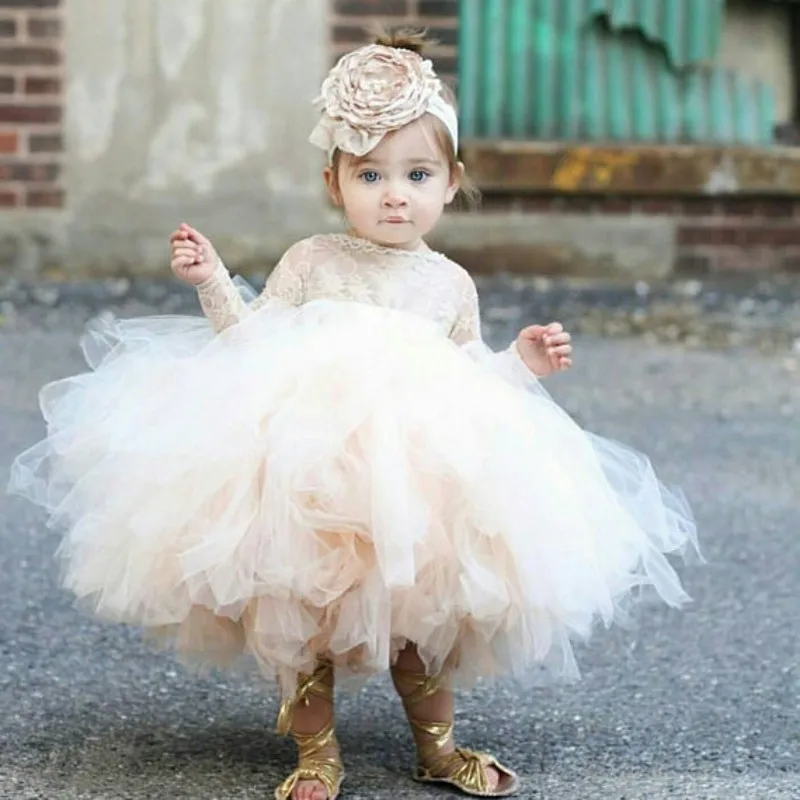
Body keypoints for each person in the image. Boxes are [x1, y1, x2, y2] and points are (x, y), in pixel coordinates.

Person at [8, 30, 698, 800]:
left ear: (450, 183)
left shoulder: (448, 284)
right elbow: (250, 343)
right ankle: (316, 751)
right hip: (310, 475)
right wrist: (211, 283)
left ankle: (437, 747)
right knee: (301, 606)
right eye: (370, 173)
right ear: (336, 182)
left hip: (419, 481)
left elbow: (473, 382)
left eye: (417, 173)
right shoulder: (312, 260)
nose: (394, 192)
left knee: (422, 615)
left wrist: (523, 364)